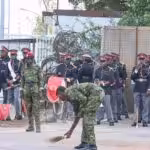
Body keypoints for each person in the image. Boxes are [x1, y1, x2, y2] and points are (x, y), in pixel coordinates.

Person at [56, 83, 105, 150]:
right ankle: (84, 143)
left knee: (88, 119)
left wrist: (80, 112)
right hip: (91, 96)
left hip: (96, 93)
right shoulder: (70, 98)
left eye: (59, 96)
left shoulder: (70, 92)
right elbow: (77, 115)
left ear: (62, 93)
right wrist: (71, 130)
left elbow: (83, 99)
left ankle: (92, 145)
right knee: (85, 119)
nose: (60, 99)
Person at [21, 52, 43, 133]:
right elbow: (22, 79)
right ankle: (31, 126)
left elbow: (41, 79)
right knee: (28, 108)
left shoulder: (37, 67)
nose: (28, 60)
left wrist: (41, 89)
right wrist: (21, 89)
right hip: (26, 88)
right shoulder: (24, 68)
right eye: (27, 58)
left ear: (33, 59)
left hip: (35, 88)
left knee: (36, 108)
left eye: (30, 58)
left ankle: (38, 127)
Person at [95, 55, 115, 126]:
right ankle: (98, 118)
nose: (101, 62)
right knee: (99, 105)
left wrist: (106, 83)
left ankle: (111, 119)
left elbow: (112, 80)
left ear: (106, 62)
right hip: (99, 89)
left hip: (107, 89)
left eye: (103, 61)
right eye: (101, 61)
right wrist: (98, 82)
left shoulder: (110, 70)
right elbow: (95, 78)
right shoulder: (97, 70)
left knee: (107, 105)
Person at [131, 53, 150, 127]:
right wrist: (136, 70)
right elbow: (132, 77)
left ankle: (145, 121)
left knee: (145, 105)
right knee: (136, 105)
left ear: (145, 59)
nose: (141, 60)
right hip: (137, 88)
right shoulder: (135, 67)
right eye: (140, 59)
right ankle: (136, 120)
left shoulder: (148, 68)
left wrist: (149, 88)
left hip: (145, 88)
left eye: (143, 59)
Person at [8, 49, 22, 120]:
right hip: (10, 84)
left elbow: (20, 73)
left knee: (16, 99)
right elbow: (7, 73)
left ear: (16, 55)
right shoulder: (8, 63)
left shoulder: (19, 63)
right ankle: (11, 114)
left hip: (16, 83)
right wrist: (8, 81)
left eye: (14, 55)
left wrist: (15, 79)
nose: (13, 56)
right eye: (12, 55)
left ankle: (18, 114)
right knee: (10, 99)